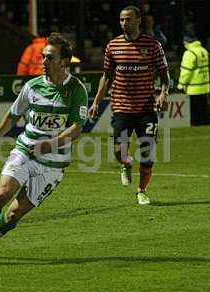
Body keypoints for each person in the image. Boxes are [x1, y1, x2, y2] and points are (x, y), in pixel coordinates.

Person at [0, 32, 88, 261]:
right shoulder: (32, 86)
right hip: (25, 151)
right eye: (43, 57)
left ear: (64, 61)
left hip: (54, 164)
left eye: (49, 57)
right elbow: (12, 116)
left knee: (14, 214)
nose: (43, 61)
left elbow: (77, 128)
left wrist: (48, 145)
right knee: (2, 194)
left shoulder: (76, 90)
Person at [88, 5, 170, 205]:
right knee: (119, 151)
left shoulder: (152, 45)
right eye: (122, 20)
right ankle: (126, 164)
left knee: (147, 153)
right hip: (122, 108)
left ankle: (141, 190)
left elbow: (164, 74)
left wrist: (163, 94)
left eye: (128, 19)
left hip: (146, 109)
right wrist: (96, 102)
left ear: (139, 20)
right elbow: (106, 77)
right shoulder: (112, 46)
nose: (125, 23)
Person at [177, 33, 210, 125]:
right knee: (204, 108)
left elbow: (186, 72)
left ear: (187, 42)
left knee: (195, 111)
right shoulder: (203, 50)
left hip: (193, 87)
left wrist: (181, 85)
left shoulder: (189, 53)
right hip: (204, 86)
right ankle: (206, 125)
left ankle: (197, 125)